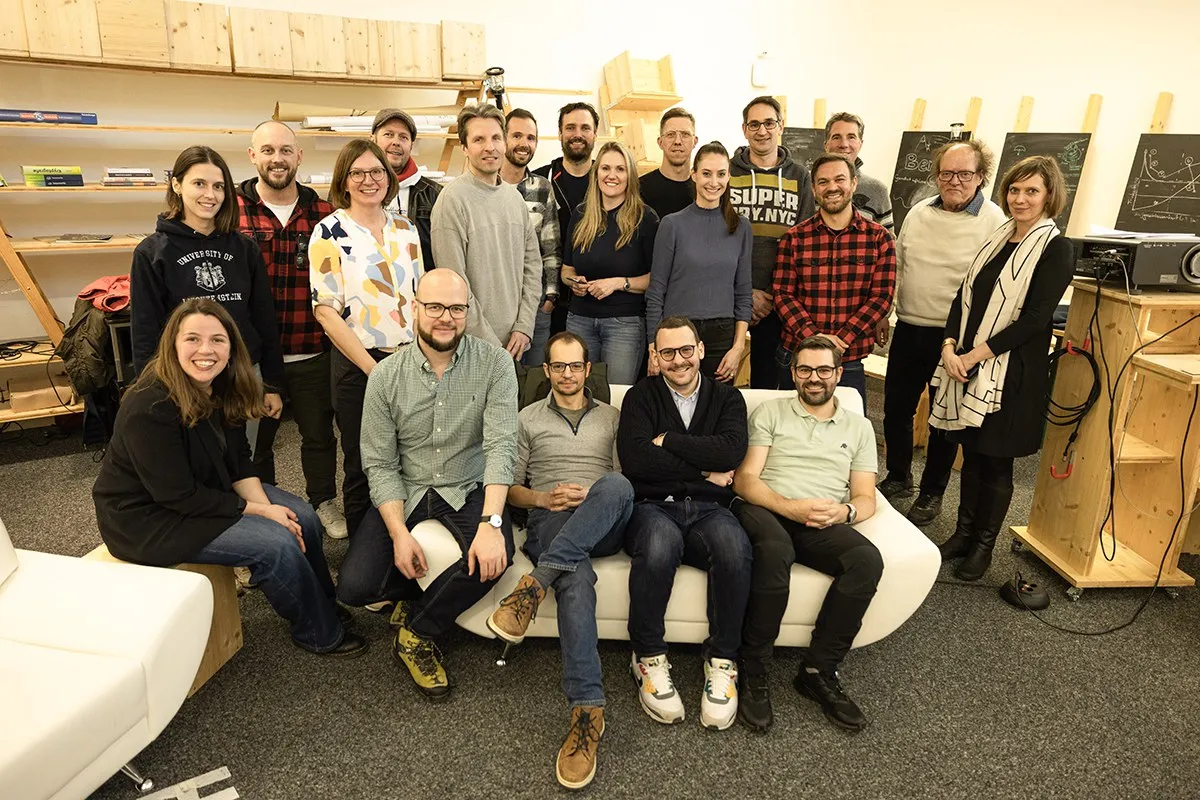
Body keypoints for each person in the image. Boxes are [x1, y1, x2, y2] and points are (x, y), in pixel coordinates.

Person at [93, 298, 366, 657]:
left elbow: (238, 460)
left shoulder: (222, 386)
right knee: (275, 544)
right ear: (172, 344)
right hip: (150, 519)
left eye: (217, 340)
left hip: (206, 489)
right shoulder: (149, 405)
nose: (205, 350)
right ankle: (317, 631)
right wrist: (261, 513)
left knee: (303, 517)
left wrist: (269, 510)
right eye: (193, 339)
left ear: (231, 346)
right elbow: (178, 496)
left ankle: (323, 604)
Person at [337, 269, 518, 700]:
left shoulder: (495, 364)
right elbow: (380, 464)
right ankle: (415, 594)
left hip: (467, 484)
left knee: (497, 557)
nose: (446, 318)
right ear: (414, 308)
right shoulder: (384, 377)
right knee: (354, 587)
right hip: (409, 485)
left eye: (456, 308)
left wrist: (491, 524)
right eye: (435, 307)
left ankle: (418, 630)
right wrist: (399, 534)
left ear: (467, 312)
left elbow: (501, 448)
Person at [488, 331, 632, 790]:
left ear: (588, 369)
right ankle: (587, 712)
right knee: (576, 578)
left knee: (617, 486)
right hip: (550, 520)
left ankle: (533, 586)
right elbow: (511, 488)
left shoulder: (613, 417)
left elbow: (625, 481)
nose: (567, 374)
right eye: (557, 366)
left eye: (575, 366)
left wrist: (592, 495)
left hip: (604, 520)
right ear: (546, 370)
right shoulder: (526, 419)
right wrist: (545, 498)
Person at [930, 156, 1074, 582]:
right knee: (971, 453)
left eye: (1032, 191)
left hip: (1012, 374)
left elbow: (1035, 319)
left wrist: (974, 356)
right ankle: (962, 534)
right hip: (967, 364)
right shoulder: (997, 237)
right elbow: (963, 296)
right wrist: (949, 346)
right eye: (1014, 189)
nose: (1020, 199)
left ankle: (982, 547)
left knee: (995, 461)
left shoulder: (1056, 248)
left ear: (1049, 196)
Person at [732, 336, 881, 732]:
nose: (814, 378)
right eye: (805, 370)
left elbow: (866, 497)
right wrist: (788, 507)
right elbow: (746, 480)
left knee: (865, 560)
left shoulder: (860, 427)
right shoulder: (771, 412)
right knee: (774, 550)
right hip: (767, 508)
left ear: (838, 373)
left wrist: (845, 512)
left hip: (821, 520)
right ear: (794, 373)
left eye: (824, 370)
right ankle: (754, 668)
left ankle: (818, 671)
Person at [618, 316, 751, 731]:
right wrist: (703, 471)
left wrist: (671, 441)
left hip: (711, 508)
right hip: (653, 506)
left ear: (701, 350)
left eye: (686, 350)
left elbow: (730, 452)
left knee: (735, 550)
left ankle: (723, 660)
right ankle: (648, 656)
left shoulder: (728, 398)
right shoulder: (640, 396)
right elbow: (636, 460)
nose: (678, 360)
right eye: (668, 352)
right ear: (655, 355)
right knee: (659, 547)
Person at [878, 140, 1007, 527]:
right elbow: (899, 263)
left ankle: (932, 492)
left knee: (943, 419)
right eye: (946, 173)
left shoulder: (995, 221)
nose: (954, 181)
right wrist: (887, 311)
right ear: (936, 176)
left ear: (981, 176)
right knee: (896, 409)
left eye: (964, 174)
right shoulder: (919, 212)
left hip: (955, 339)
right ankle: (899, 476)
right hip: (909, 327)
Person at [130, 145, 284, 459]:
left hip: (243, 374)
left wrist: (272, 384)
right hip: (186, 377)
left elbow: (264, 319)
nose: (210, 195)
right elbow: (145, 331)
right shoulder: (152, 252)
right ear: (176, 185)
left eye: (219, 186)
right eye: (199, 183)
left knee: (247, 458)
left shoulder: (245, 249)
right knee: (196, 462)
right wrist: (150, 393)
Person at [309, 138, 423, 542]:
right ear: (344, 180)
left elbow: (419, 298)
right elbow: (326, 311)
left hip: (409, 361)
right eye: (357, 173)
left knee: (410, 458)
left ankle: (405, 545)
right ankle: (363, 557)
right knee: (364, 464)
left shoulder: (406, 229)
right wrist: (373, 369)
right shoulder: (329, 232)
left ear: (388, 178)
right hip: (360, 366)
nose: (368, 180)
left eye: (376, 171)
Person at [236, 120, 346, 539]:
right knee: (254, 444)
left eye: (285, 150)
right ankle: (266, 512)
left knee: (318, 436)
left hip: (311, 350)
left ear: (299, 156)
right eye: (267, 150)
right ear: (253, 156)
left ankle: (323, 502)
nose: (277, 159)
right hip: (253, 358)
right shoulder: (233, 210)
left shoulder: (325, 214)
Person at [773, 154, 895, 409]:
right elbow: (783, 295)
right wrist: (814, 338)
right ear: (814, 189)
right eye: (823, 182)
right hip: (798, 356)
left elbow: (881, 297)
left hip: (847, 358)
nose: (832, 187)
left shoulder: (879, 239)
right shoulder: (794, 239)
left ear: (854, 183)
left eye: (840, 179)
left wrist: (840, 340)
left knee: (848, 429)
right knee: (789, 428)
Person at [432, 104, 541, 359]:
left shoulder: (514, 200)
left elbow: (533, 268)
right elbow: (454, 285)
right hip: (471, 348)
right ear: (464, 148)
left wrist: (524, 327)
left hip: (516, 345)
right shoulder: (451, 201)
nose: (489, 147)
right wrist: (489, 345)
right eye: (479, 139)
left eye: (496, 138)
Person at [646, 142, 752, 383]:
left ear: (729, 177)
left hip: (722, 335)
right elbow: (656, 291)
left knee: (716, 403)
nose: (714, 182)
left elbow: (744, 293)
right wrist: (654, 346)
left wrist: (737, 348)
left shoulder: (741, 227)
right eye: (706, 173)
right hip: (676, 333)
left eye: (721, 174)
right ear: (693, 175)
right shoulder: (672, 225)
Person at [729, 96, 816, 390]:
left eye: (769, 123)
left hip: (777, 300)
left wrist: (770, 294)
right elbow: (716, 239)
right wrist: (744, 293)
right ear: (744, 129)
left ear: (781, 126)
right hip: (731, 294)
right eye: (754, 124)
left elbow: (802, 242)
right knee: (722, 376)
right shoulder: (727, 172)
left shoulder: (799, 176)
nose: (762, 131)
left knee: (767, 384)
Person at [563, 141, 658, 385]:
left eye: (620, 169)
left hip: (624, 325)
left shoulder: (645, 218)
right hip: (579, 320)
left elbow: (655, 280)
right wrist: (574, 282)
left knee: (615, 395)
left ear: (630, 176)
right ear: (596, 174)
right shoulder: (581, 215)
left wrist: (617, 283)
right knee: (578, 394)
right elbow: (566, 269)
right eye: (605, 168)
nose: (611, 175)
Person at [500, 108, 561, 369]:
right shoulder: (485, 187)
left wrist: (550, 299)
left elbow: (551, 247)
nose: (524, 143)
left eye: (531, 138)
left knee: (534, 383)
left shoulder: (543, 188)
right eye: (516, 136)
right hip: (497, 308)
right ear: (502, 138)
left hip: (536, 307)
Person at [535, 102, 600, 335]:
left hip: (597, 300)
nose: (577, 134)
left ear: (595, 133)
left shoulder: (609, 181)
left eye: (585, 128)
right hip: (547, 300)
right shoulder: (539, 181)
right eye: (570, 128)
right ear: (560, 133)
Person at [371, 107, 442, 269]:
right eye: (388, 134)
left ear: (411, 145)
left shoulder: (435, 194)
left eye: (403, 137)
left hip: (420, 281)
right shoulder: (354, 189)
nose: (396, 142)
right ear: (373, 139)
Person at [824, 112, 894, 233]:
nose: (844, 144)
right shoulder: (807, 185)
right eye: (836, 137)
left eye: (851, 137)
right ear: (826, 145)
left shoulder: (877, 190)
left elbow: (888, 240)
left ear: (860, 144)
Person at [639, 107, 697, 219]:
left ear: (695, 141)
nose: (678, 141)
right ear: (660, 142)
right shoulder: (639, 189)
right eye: (671, 134)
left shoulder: (702, 190)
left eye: (685, 134)